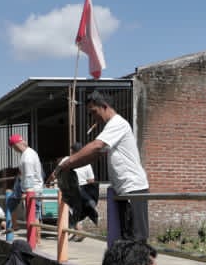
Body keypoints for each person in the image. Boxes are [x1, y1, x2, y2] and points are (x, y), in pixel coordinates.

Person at [50, 91, 149, 243]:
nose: (93, 117)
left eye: (94, 112)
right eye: (90, 114)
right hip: (123, 190)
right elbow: (93, 156)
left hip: (133, 188)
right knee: (127, 238)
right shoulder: (110, 128)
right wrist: (66, 168)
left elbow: (96, 146)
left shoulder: (117, 123)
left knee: (136, 238)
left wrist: (66, 164)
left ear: (104, 106)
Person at [5, 134, 43, 233]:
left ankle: (36, 240)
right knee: (12, 204)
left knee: (33, 215)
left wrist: (26, 193)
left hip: (32, 189)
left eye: (13, 147)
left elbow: (29, 176)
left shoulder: (27, 158)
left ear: (15, 145)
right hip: (30, 187)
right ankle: (14, 226)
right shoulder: (29, 152)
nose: (14, 150)